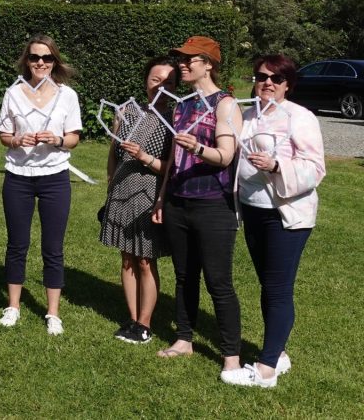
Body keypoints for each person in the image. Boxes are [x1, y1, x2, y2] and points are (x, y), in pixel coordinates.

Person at [226, 54, 326, 388]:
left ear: (288, 84)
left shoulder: (301, 117)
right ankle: (279, 353)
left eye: (276, 78)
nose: (268, 82)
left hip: (286, 214)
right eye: (261, 76)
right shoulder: (247, 115)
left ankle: (266, 369)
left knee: (278, 288)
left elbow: (315, 168)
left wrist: (276, 167)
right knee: (268, 286)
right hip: (252, 210)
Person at [151, 36, 243, 383]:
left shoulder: (226, 105)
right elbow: (174, 160)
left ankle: (231, 355)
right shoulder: (183, 104)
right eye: (181, 59)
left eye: (190, 59)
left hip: (213, 205)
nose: (183, 64)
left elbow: (225, 157)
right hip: (178, 201)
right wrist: (162, 198)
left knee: (219, 281)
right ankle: (184, 339)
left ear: (209, 64)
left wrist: (199, 148)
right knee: (185, 276)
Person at [0, 34, 81, 336]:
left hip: (54, 177)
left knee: (53, 247)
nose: (40, 63)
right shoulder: (13, 93)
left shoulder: (67, 95)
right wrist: (17, 139)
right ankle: (14, 306)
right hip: (18, 175)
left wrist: (56, 140)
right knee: (17, 244)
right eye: (34, 57)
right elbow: (4, 133)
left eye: (46, 58)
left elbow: (73, 136)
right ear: (26, 60)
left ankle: (52, 312)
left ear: (54, 61)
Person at [99, 56, 177, 344]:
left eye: (169, 82)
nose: (161, 86)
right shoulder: (127, 111)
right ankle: (131, 318)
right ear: (146, 80)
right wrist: (110, 185)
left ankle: (144, 324)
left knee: (145, 260)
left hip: (150, 192)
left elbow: (172, 167)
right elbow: (113, 153)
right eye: (156, 80)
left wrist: (144, 157)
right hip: (121, 190)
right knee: (127, 258)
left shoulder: (175, 119)